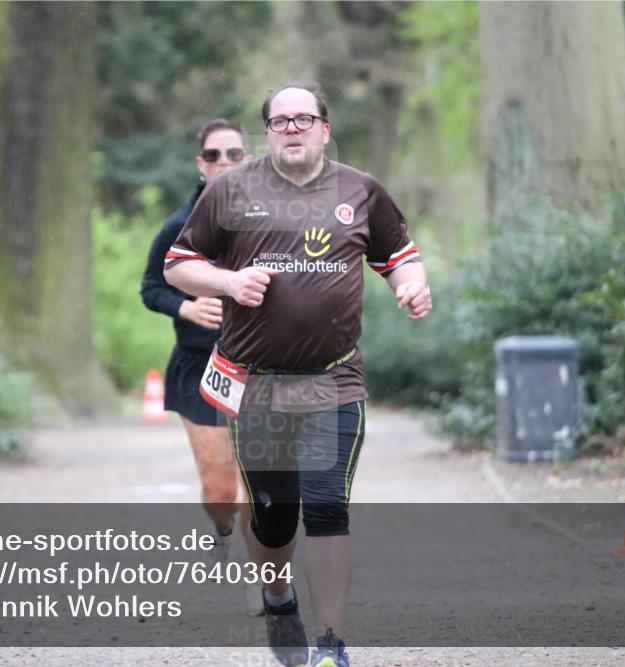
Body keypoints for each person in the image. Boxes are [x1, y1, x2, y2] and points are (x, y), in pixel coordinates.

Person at [164, 83, 432, 667]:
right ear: (267, 133)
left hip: (333, 380)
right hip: (257, 383)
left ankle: (333, 645)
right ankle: (279, 597)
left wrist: (410, 284)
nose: (292, 128)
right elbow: (179, 265)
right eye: (280, 121)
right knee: (273, 514)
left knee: (327, 503)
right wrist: (230, 283)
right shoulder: (232, 191)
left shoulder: (360, 190)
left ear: (324, 129)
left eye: (303, 119)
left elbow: (398, 254)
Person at [140, 119, 259, 604]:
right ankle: (223, 532)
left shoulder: (268, 222)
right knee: (220, 491)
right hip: (199, 368)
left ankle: (263, 576)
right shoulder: (178, 225)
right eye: (214, 155)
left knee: (260, 483)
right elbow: (151, 288)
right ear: (201, 164)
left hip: (259, 368)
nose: (224, 163)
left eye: (234, 154)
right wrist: (186, 306)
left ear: (248, 160)